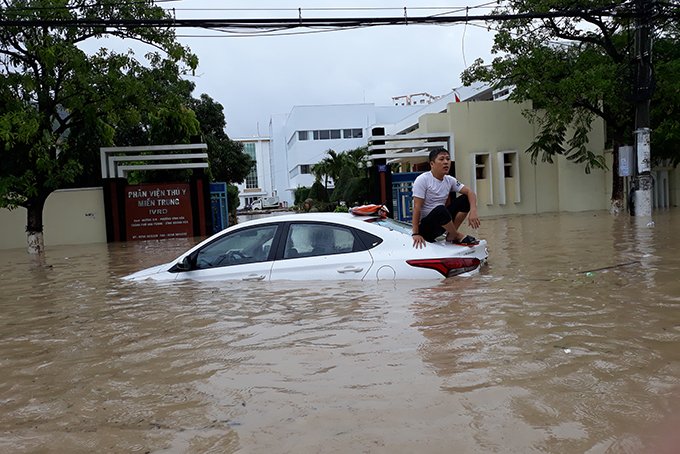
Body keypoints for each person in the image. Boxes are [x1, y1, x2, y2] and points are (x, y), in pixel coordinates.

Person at [411, 148, 481, 249]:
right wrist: (416, 233)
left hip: (443, 222)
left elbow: (470, 192)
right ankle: (456, 234)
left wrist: (473, 211)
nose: (446, 162)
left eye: (448, 159)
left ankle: (451, 235)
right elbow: (417, 207)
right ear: (432, 164)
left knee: (465, 199)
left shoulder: (449, 180)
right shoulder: (423, 179)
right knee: (440, 209)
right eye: (441, 159)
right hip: (427, 228)